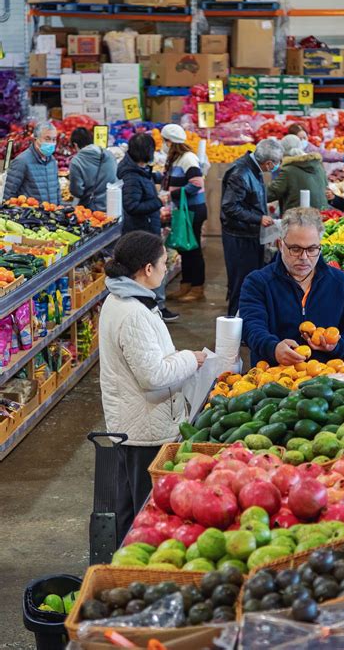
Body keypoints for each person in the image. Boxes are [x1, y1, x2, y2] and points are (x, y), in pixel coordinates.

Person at [99, 231, 206, 543]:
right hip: (143, 429)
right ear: (147, 269)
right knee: (144, 511)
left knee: (129, 505)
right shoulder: (132, 312)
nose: (167, 267)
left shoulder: (123, 300)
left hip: (136, 422)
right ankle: (131, 569)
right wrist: (192, 359)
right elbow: (153, 375)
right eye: (163, 262)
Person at [239, 207, 344, 367]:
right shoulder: (258, 283)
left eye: (312, 249)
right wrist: (273, 348)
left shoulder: (339, 282)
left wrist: (336, 346)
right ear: (280, 244)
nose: (304, 257)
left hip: (327, 382)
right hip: (273, 381)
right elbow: (251, 327)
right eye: (295, 249)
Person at [118, 133, 178, 323]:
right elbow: (132, 206)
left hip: (147, 226)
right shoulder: (132, 177)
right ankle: (156, 307)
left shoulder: (139, 170)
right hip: (141, 229)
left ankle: (156, 306)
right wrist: (157, 201)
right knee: (150, 268)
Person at [221, 138, 284, 316]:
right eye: (277, 163)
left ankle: (245, 321)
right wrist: (258, 218)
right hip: (239, 237)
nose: (276, 166)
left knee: (248, 281)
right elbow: (230, 207)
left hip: (249, 234)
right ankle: (235, 323)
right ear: (269, 163)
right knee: (241, 283)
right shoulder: (241, 173)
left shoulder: (253, 169)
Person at [161, 124, 207, 303]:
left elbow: (196, 183)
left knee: (192, 249)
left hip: (193, 210)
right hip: (185, 209)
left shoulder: (188, 158)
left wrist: (172, 194)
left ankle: (197, 288)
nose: (163, 144)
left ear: (171, 142)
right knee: (185, 249)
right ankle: (185, 285)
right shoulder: (177, 159)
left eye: (165, 141)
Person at [267, 134, 328, 214]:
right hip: (322, 215)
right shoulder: (318, 165)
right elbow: (326, 186)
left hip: (298, 218)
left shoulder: (288, 170)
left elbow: (271, 194)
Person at [3, 121, 60, 204]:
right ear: (35, 139)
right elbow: (9, 194)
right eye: (47, 139)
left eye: (54, 139)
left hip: (52, 214)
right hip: (31, 215)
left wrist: (60, 211)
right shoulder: (21, 161)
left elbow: (57, 190)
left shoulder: (52, 161)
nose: (51, 143)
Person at [69, 127, 118, 211]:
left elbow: (77, 191)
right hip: (113, 205)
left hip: (92, 210)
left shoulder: (76, 161)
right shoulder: (109, 155)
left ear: (75, 144)